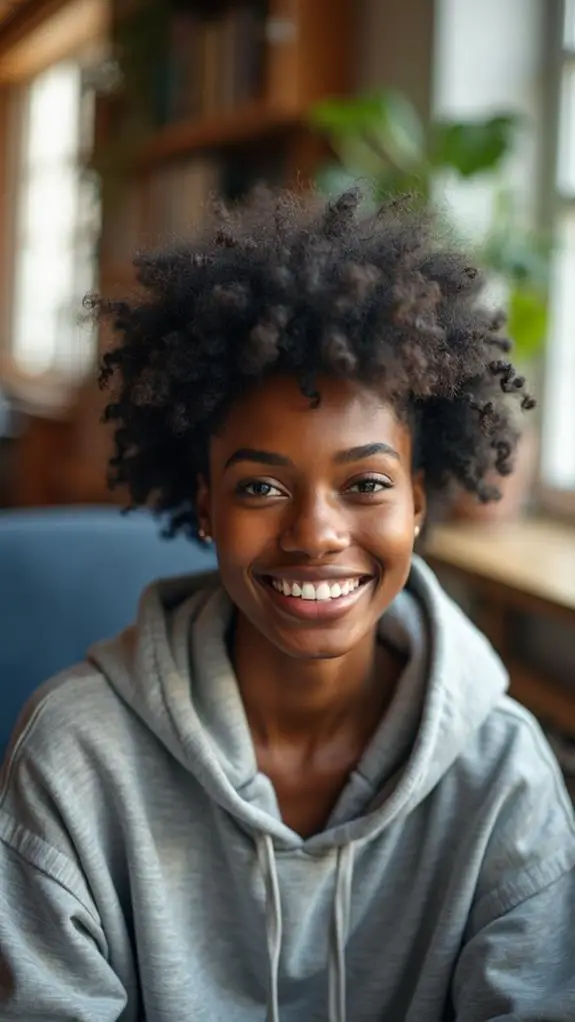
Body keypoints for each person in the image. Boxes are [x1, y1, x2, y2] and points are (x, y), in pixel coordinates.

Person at [1, 189, 574, 1022]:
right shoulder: (74, 758)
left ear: (417, 502)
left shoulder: (502, 777)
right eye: (261, 486)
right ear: (204, 506)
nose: (315, 533)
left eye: (366, 485)